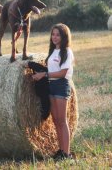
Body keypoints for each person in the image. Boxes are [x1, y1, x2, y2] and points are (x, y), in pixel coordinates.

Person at [31, 23, 74, 160]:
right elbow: (50, 69)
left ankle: (67, 154)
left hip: (61, 85)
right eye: (53, 34)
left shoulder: (67, 51)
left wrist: (44, 75)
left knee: (62, 121)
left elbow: (62, 73)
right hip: (52, 86)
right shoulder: (52, 51)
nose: (54, 37)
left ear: (64, 37)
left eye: (58, 35)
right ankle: (61, 151)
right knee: (55, 120)